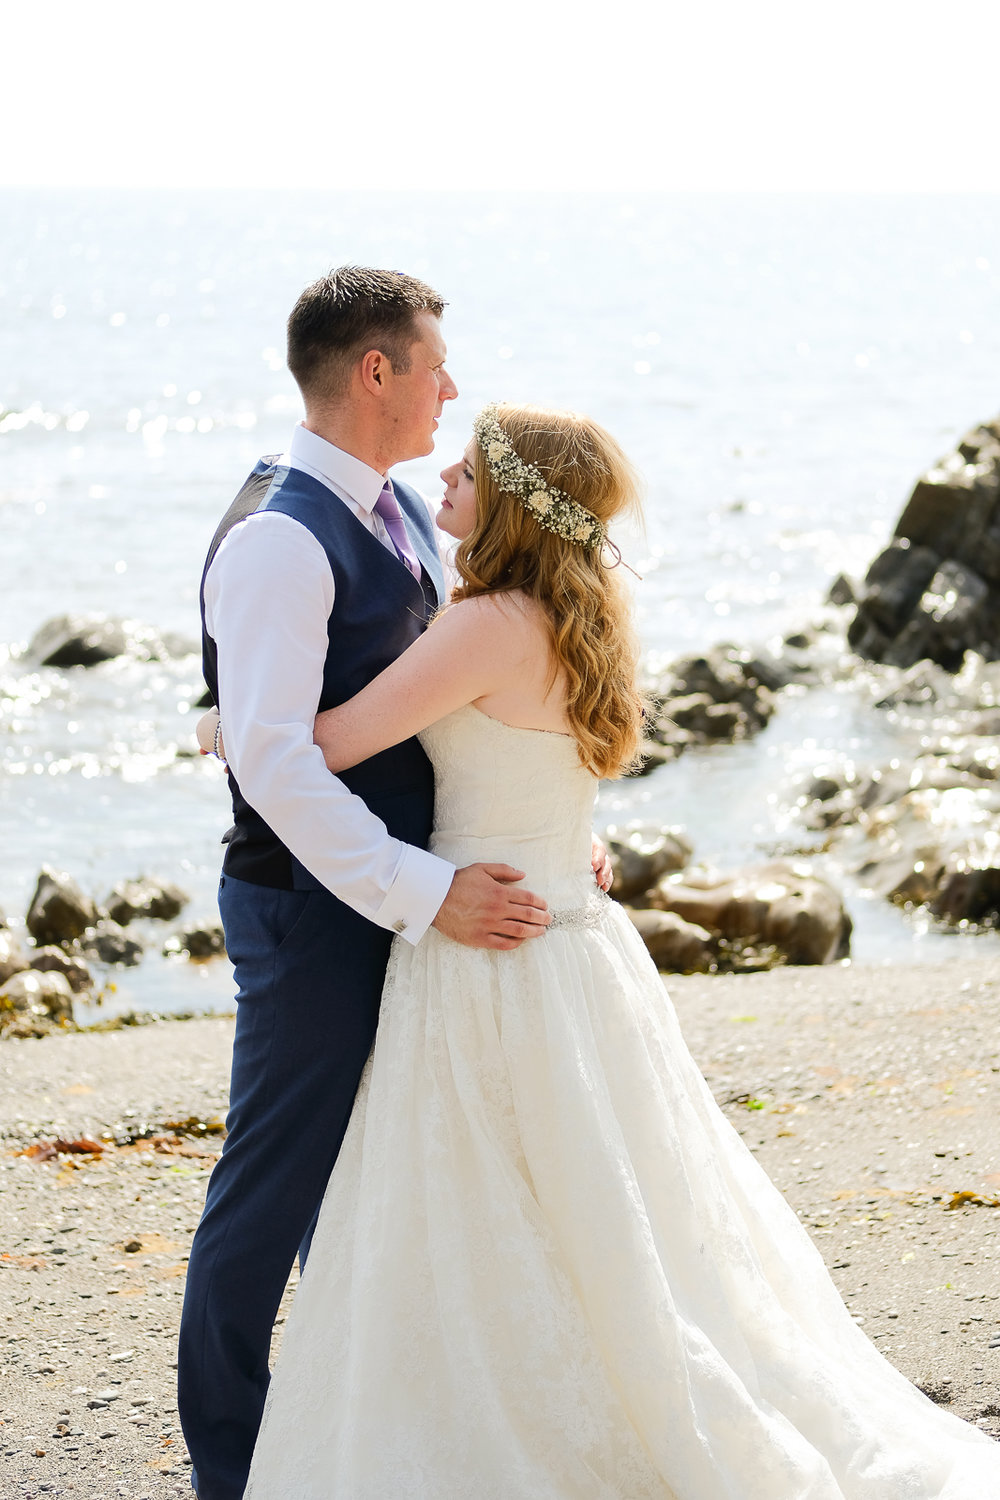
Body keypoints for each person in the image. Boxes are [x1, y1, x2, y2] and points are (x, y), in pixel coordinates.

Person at [218, 402, 1000, 1497]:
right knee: (599, 1213)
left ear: (512, 501)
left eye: (471, 463)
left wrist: (223, 722)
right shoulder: (576, 608)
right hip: (572, 944)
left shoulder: (484, 622)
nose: (443, 468)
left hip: (488, 949)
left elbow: (326, 740)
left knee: (491, 1205)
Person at [178, 269, 611, 1500]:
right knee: (272, 1189)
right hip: (318, 913)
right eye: (432, 364)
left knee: (373, 1186)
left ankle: (347, 1441)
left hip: (416, 903)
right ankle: (233, 1465)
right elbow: (275, 764)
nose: (450, 388)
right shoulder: (277, 538)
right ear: (375, 372)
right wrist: (424, 892)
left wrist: (540, 829)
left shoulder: (403, 517)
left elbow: (439, 707)